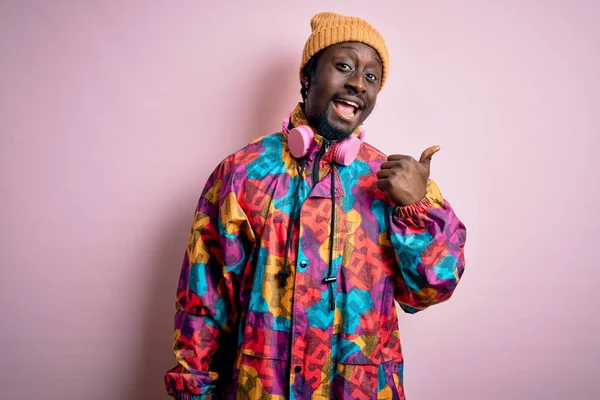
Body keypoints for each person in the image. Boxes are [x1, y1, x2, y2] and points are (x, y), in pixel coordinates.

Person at [164, 11, 466, 400]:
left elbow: (430, 290)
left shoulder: (392, 181)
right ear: (307, 77)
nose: (358, 83)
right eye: (344, 66)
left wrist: (420, 209)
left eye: (371, 77)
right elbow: (203, 303)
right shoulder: (243, 174)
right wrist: (194, 392)